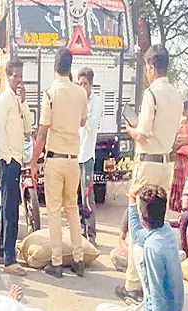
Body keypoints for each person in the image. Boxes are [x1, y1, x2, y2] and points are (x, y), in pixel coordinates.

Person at [117, 44, 182, 303]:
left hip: (148, 162)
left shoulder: (151, 94)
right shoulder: (176, 95)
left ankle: (134, 285)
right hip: (166, 165)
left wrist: (130, 129)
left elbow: (142, 133)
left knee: (138, 222)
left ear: (152, 68)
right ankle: (151, 281)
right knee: (157, 224)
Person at [95, 183, 184, 311]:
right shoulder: (166, 230)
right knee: (136, 246)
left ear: (144, 217)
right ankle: (142, 303)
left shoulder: (152, 249)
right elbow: (136, 233)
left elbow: (158, 297)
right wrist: (131, 200)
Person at [30, 48, 88, 279]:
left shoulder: (51, 93)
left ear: (55, 66)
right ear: (70, 66)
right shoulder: (81, 93)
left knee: (54, 211)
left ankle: (56, 262)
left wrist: (34, 161)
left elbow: (43, 132)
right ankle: (79, 258)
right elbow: (83, 122)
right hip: (74, 160)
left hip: (55, 159)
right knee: (72, 209)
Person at [0, 58, 32, 277]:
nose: (18, 80)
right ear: (7, 76)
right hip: (9, 160)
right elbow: (0, 130)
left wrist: (24, 102)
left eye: (20, 76)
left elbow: (28, 127)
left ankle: (1, 251)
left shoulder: (16, 100)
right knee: (11, 209)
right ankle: (10, 260)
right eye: (14, 75)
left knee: (7, 204)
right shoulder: (4, 99)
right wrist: (8, 159)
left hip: (16, 158)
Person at [76, 67, 102, 245]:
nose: (82, 87)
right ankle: (80, 231)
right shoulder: (76, 99)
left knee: (87, 196)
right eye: (80, 84)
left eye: (85, 84)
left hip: (86, 156)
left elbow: (90, 125)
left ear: (91, 85)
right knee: (75, 197)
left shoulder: (95, 102)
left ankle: (91, 235)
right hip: (73, 155)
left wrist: (83, 105)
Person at [169, 100, 188, 212]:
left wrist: (178, 145)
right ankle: (178, 203)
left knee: (184, 179)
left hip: (186, 155)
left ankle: (182, 203)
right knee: (180, 179)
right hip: (182, 155)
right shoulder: (183, 123)